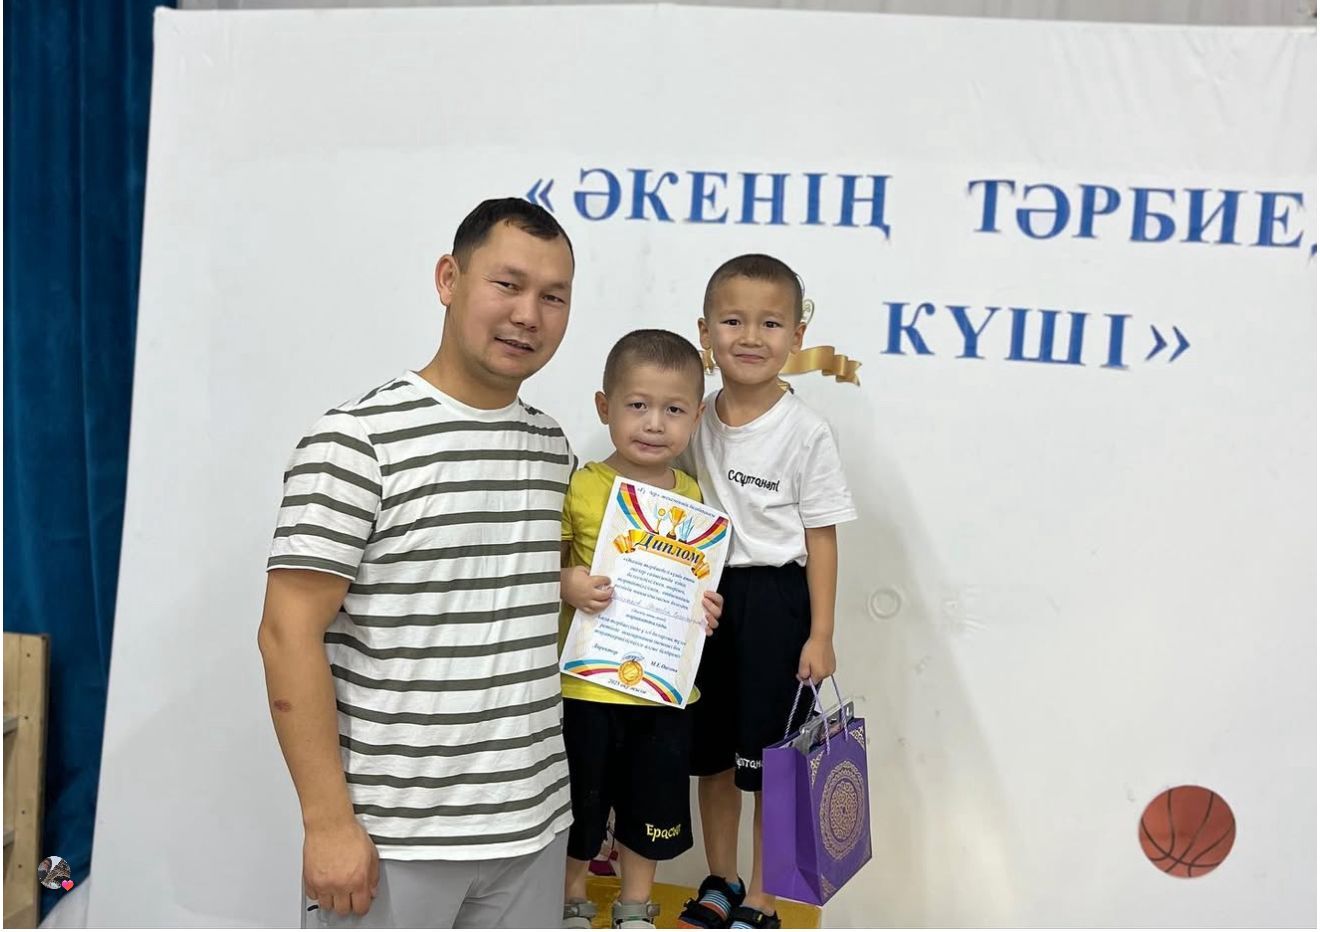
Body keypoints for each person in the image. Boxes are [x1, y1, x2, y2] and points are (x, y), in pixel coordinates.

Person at [257, 198, 580, 929]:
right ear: (448, 280)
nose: (528, 314)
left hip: (534, 826)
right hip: (392, 839)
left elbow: (537, 602)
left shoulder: (551, 447)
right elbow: (285, 634)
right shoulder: (355, 441)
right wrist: (327, 823)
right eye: (508, 284)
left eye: (553, 296)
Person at [676, 255, 856, 930]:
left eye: (771, 323)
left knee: (773, 766)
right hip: (705, 600)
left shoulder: (806, 432)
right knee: (713, 760)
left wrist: (821, 633)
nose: (750, 337)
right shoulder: (692, 419)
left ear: (797, 335)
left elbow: (822, 540)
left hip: (777, 606)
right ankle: (721, 879)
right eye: (733, 321)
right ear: (705, 332)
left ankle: (764, 897)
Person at [557, 330, 712, 930]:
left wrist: (705, 608)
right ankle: (572, 895)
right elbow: (544, 566)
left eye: (673, 410)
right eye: (638, 405)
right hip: (588, 686)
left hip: (663, 690)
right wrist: (568, 584)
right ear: (606, 407)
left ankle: (635, 904)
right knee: (581, 801)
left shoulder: (692, 497)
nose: (654, 424)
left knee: (652, 803)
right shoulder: (582, 485)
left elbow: (696, 582)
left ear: (695, 417)